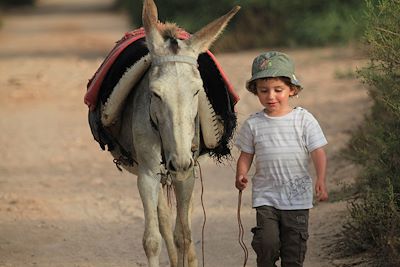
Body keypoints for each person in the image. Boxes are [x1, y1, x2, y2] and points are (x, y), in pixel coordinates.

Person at [235, 51, 328, 267]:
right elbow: (246, 155)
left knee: (293, 251)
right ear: (256, 92)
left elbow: (318, 152)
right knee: (266, 244)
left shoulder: (304, 120)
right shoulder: (253, 124)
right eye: (264, 91)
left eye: (278, 90)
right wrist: (241, 174)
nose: (271, 96)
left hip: (297, 199)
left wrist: (321, 179)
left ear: (292, 90)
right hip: (266, 197)